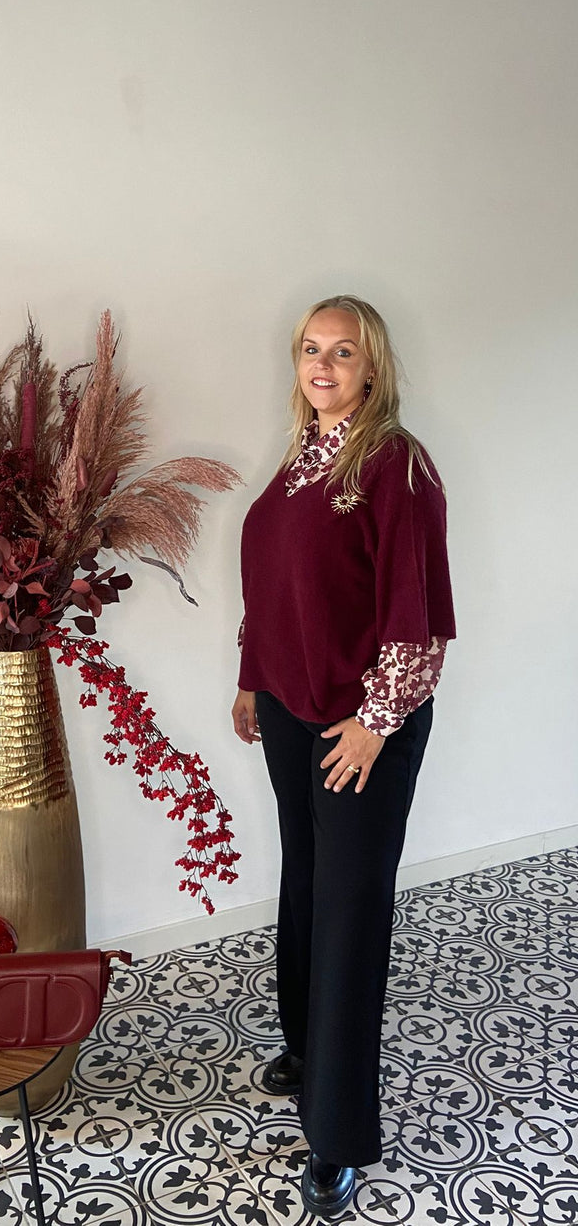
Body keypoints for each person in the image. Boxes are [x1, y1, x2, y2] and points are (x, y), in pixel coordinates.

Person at [232, 294, 456, 1218]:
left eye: (343, 352)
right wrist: (252, 677)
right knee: (306, 883)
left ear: (374, 367)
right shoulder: (300, 458)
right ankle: (305, 1044)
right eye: (311, 349)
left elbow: (418, 614)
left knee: (351, 908)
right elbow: (275, 582)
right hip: (289, 705)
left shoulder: (395, 464)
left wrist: (376, 720)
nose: (323, 365)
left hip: (362, 721)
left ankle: (338, 1133)